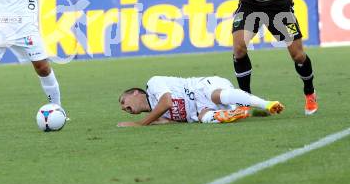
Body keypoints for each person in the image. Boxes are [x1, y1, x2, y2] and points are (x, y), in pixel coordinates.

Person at [117, 75, 284, 127]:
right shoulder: (156, 116)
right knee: (204, 118)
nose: (123, 107)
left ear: (136, 93)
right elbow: (169, 120)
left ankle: (267, 104)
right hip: (201, 109)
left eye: (123, 101)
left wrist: (140, 124)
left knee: (217, 95)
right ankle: (235, 112)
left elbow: (166, 102)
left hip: (203, 87)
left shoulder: (153, 84)